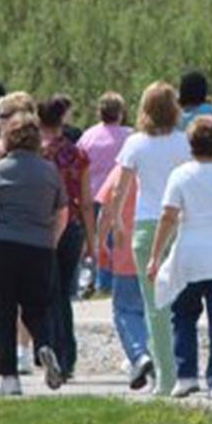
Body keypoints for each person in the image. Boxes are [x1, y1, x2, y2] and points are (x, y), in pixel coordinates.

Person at [147, 116, 212, 401]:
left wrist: (155, 256)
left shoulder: (181, 175)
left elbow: (168, 216)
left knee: (183, 315)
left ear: (191, 144)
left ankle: (185, 375)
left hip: (191, 253)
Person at [0, 111, 67, 396]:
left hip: (4, 246)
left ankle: (8, 378)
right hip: (39, 247)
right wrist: (51, 242)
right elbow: (62, 213)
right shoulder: (50, 171)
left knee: (3, 311)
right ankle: (44, 344)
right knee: (36, 307)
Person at [98, 82, 191, 397]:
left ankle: (165, 377)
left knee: (155, 306)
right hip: (180, 223)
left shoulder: (135, 144)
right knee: (181, 302)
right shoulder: (185, 142)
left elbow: (118, 190)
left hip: (145, 225)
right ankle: (184, 369)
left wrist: (115, 224)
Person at [39, 96, 93, 380]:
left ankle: (52, 349)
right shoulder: (77, 154)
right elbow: (85, 201)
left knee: (49, 292)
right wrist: (92, 239)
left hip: (43, 227)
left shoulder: (37, 154)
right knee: (64, 293)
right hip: (72, 226)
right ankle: (67, 355)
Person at [96, 162, 152, 389]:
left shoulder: (123, 169)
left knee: (126, 310)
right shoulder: (173, 161)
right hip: (163, 248)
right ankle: (163, 361)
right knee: (159, 310)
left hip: (127, 250)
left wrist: (99, 243)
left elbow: (106, 210)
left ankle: (140, 354)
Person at [78, 92, 132, 294]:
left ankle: (95, 279)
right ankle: (112, 279)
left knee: (93, 239)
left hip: (91, 193)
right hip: (120, 193)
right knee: (116, 239)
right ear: (120, 112)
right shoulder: (129, 135)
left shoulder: (88, 136)